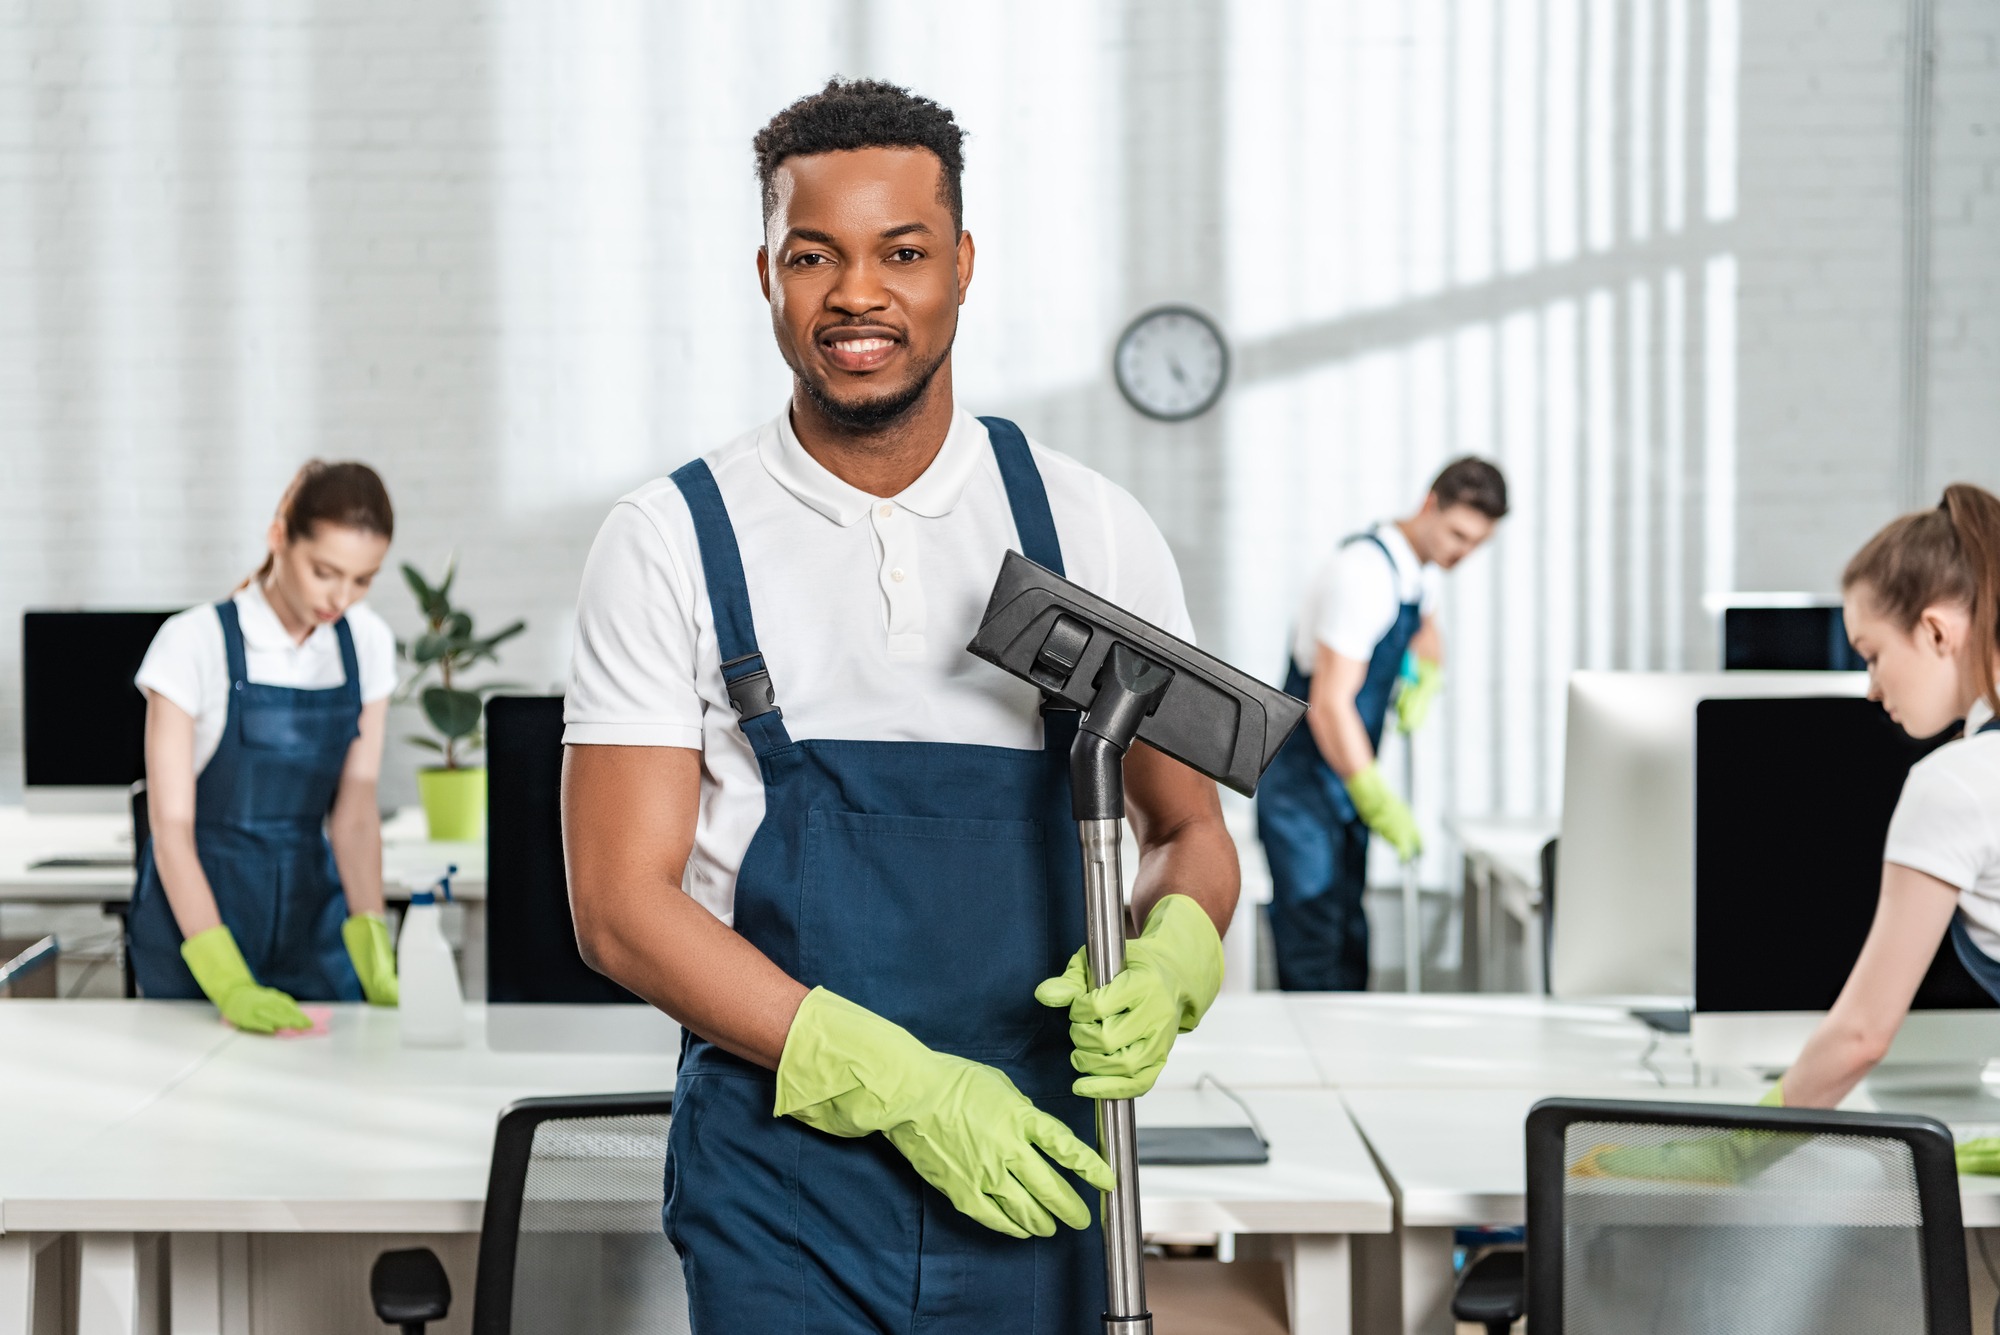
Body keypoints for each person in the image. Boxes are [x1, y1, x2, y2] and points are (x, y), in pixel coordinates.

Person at [562, 79, 1234, 1332]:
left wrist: (1174, 954)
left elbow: (1189, 832)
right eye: (813, 255)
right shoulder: (669, 541)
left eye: (902, 253)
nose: (857, 295)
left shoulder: (1085, 527)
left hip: (1038, 1162)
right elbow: (617, 908)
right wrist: (899, 1084)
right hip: (780, 1186)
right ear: (764, 272)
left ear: (962, 266)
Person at [129, 461, 401, 1031]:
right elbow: (171, 834)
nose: (342, 597)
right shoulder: (192, 643)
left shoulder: (367, 643)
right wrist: (226, 979)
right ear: (279, 536)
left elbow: (353, 815)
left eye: (363, 579)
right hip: (199, 923)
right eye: (325, 571)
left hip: (313, 923)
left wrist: (373, 938)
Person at [1766, 483, 2000, 1111]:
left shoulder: (1957, 783)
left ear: (1935, 631)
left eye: (1873, 655)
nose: (1872, 688)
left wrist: (1736, 1149)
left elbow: (1861, 1036)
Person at [1255, 459, 1508, 991]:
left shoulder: (1420, 571)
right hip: (1303, 784)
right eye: (1459, 534)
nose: (1462, 553)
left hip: (1342, 778)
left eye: (1476, 544)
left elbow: (1425, 626)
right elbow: (1329, 705)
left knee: (1350, 931)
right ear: (1428, 504)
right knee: (1314, 940)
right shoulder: (1362, 575)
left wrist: (1429, 671)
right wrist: (1375, 795)